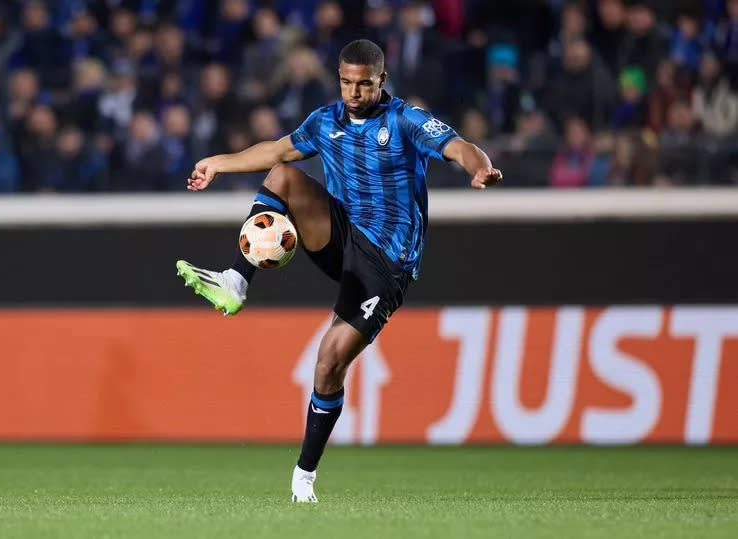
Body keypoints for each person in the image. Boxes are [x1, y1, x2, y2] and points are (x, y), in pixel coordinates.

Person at [175, 39, 502, 503]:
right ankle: (236, 280)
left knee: (329, 363)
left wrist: (481, 168)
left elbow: (460, 146)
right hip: (340, 236)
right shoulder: (325, 121)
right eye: (346, 82)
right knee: (284, 175)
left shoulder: (405, 120)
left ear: (381, 81)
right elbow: (276, 149)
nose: (353, 92)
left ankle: (303, 475)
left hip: (385, 262)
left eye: (363, 84)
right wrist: (217, 164)